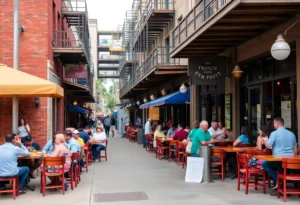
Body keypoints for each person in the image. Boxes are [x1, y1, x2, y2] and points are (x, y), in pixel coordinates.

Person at [262, 117, 297, 195]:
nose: (274, 125)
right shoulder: (292, 134)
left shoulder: (274, 133)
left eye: (274, 124)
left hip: (278, 160)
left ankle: (279, 182)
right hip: (290, 162)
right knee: (284, 169)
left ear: (277, 124)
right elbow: (295, 150)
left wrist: (265, 140)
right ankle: (281, 182)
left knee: (264, 164)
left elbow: (268, 146)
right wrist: (294, 160)